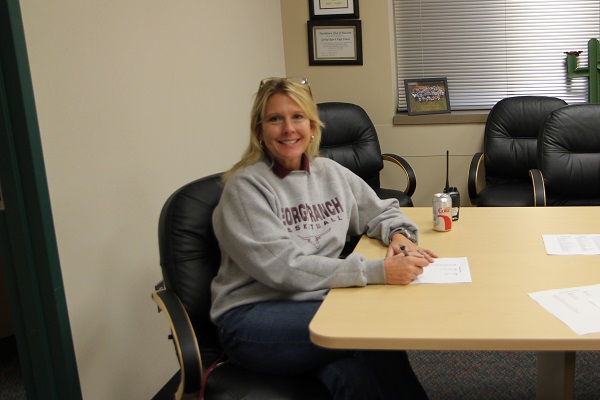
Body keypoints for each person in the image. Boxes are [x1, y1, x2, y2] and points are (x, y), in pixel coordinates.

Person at [210, 77, 438, 399]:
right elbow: (286, 268)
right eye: (275, 119)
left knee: (350, 370)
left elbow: (381, 210)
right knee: (370, 332)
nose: (288, 128)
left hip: (319, 301)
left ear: (313, 126)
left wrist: (399, 234)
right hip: (254, 317)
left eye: (297, 117)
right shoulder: (246, 188)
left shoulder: (328, 172)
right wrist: (376, 272)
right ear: (259, 131)